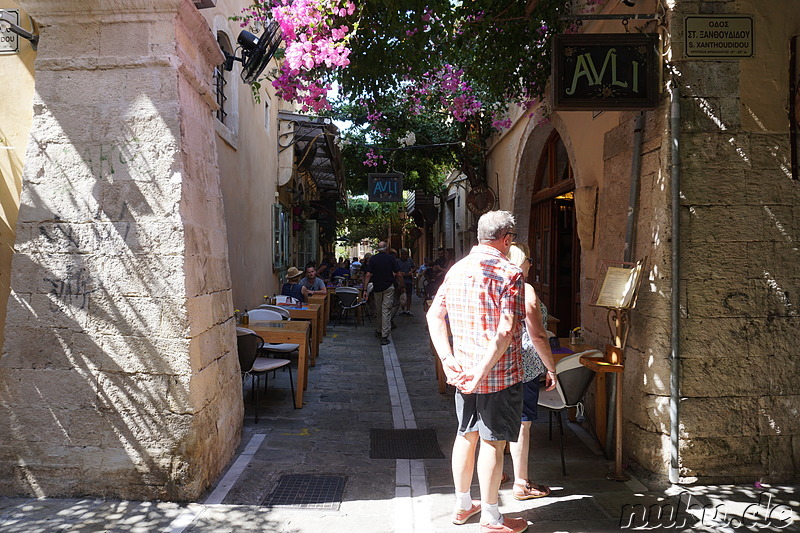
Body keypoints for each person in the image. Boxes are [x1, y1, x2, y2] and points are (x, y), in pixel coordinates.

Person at [426, 211, 528, 533]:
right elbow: (507, 330)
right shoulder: (510, 273)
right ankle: (492, 516)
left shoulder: (456, 271)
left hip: (464, 374)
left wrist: (447, 358)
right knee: (493, 443)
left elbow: (433, 316)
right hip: (497, 376)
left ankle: (462, 504)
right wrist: (484, 371)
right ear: (507, 239)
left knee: (465, 435)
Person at [505, 242, 557, 500]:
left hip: (499, 364)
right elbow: (537, 335)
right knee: (523, 423)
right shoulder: (524, 289)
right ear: (520, 261)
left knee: (494, 420)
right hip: (524, 366)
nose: (531, 264)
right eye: (528, 259)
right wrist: (551, 367)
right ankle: (521, 483)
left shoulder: (497, 287)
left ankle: (496, 471)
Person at [362, 241, 401, 346]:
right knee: (386, 310)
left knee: (379, 309)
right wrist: (401, 284)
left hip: (377, 287)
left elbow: (368, 275)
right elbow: (398, 273)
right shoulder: (391, 259)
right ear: (386, 248)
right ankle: (384, 336)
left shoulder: (373, 259)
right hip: (388, 287)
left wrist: (365, 289)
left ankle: (379, 330)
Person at [396, 248, 416, 316]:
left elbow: (414, 267)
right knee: (402, 295)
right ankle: (403, 309)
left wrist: (411, 271)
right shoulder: (398, 261)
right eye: (404, 254)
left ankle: (408, 309)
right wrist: (400, 273)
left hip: (408, 280)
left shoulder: (410, 260)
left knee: (409, 294)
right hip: (401, 280)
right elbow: (395, 270)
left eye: (406, 254)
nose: (405, 256)